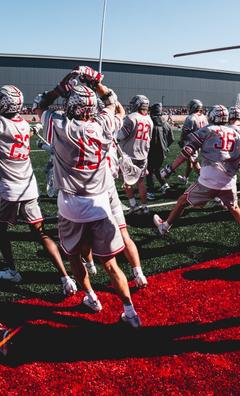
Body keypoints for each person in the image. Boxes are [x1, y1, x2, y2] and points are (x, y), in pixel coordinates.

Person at [34, 68, 141, 328]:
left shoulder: (60, 125)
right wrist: (98, 84)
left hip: (71, 205)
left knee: (73, 256)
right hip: (99, 203)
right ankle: (130, 311)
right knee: (111, 265)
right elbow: (115, 105)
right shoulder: (103, 123)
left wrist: (61, 88)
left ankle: (91, 297)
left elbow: (40, 106)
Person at [0, 84, 77, 295]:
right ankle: (65, 277)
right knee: (41, 234)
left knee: (1, 231)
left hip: (9, 189)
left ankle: (11, 269)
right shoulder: (24, 125)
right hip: (29, 187)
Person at [155, 104, 240, 247]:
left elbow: (187, 152)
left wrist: (170, 168)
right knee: (234, 208)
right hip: (228, 180)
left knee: (183, 201)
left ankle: (164, 226)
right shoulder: (235, 133)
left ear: (213, 116)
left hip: (209, 179)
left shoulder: (207, 130)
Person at [117, 95, 153, 215]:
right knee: (141, 182)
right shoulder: (149, 119)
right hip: (143, 154)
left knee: (128, 182)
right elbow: (149, 138)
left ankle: (133, 205)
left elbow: (120, 135)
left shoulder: (131, 118)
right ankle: (144, 206)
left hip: (129, 155)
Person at [146, 103, 174, 200]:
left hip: (151, 151)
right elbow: (171, 139)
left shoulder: (149, 122)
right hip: (162, 152)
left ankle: (150, 191)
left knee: (149, 171)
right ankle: (164, 185)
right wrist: (165, 147)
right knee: (156, 169)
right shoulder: (166, 123)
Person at [177, 99, 208, 183]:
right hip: (202, 142)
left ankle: (205, 181)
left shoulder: (191, 118)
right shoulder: (204, 117)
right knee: (190, 161)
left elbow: (185, 132)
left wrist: (181, 141)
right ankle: (185, 178)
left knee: (194, 162)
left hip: (192, 143)